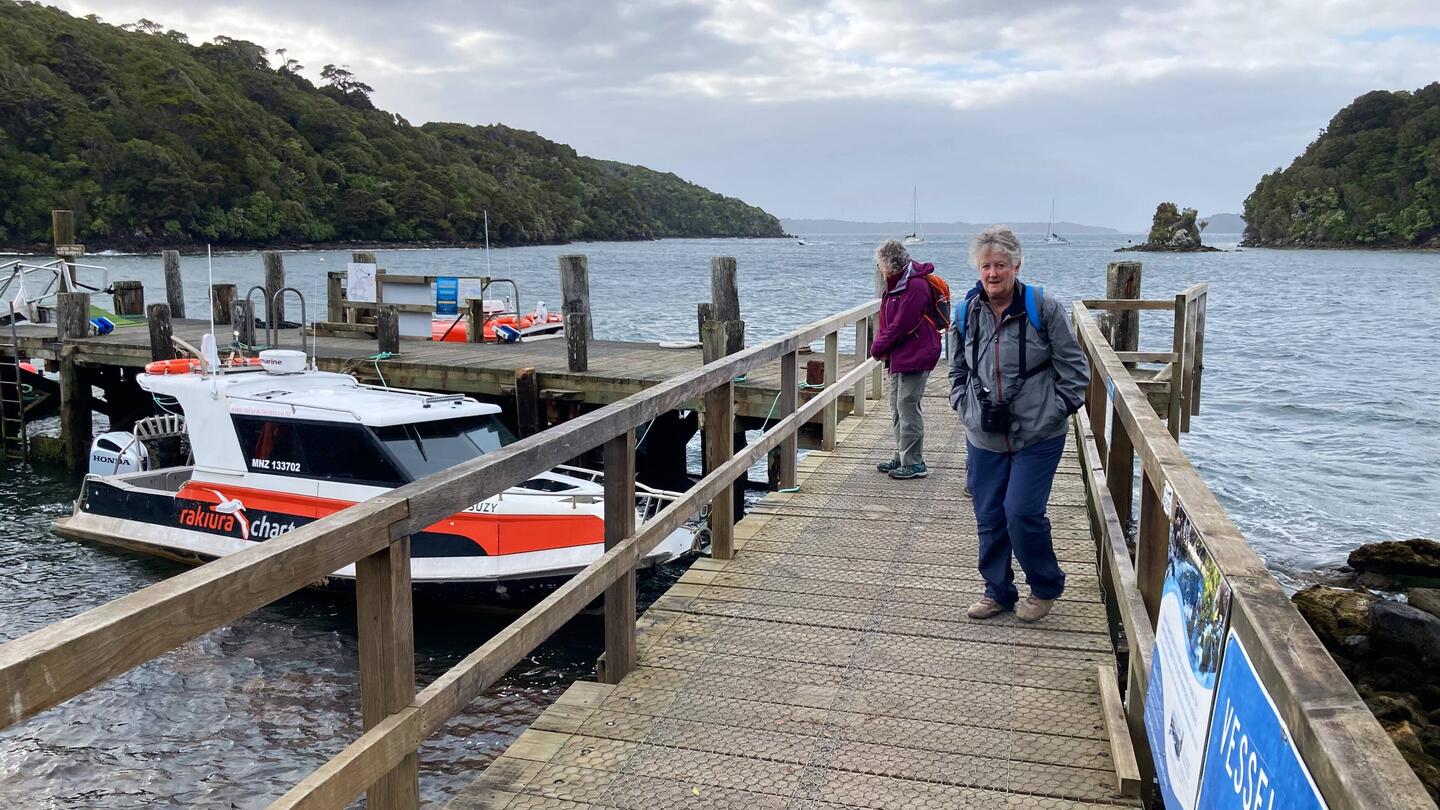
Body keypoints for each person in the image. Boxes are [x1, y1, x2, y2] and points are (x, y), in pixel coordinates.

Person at [949, 226, 1089, 622]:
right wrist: (964, 407)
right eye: (986, 266)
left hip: (1037, 434)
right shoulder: (965, 312)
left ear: (1017, 265)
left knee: (1022, 511)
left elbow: (1075, 369)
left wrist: (1055, 409)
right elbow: (956, 369)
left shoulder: (1043, 309)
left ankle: (1045, 586)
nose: (992, 274)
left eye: (1000, 265)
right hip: (984, 433)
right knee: (989, 514)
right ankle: (997, 591)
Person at [870, 239, 943, 479]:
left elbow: (903, 324)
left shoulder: (915, 286)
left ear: (889, 264)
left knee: (908, 405)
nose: (879, 269)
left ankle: (915, 462)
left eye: (880, 264)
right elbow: (889, 320)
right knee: (897, 405)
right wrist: (884, 346)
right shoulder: (897, 284)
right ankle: (902, 455)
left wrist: (879, 345)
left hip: (918, 352)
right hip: (901, 353)